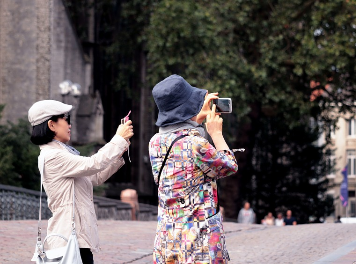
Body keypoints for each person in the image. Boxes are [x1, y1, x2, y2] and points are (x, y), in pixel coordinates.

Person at [28, 100, 134, 264]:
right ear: (51, 125)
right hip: (69, 240)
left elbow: (95, 177)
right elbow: (93, 163)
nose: (70, 125)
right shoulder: (53, 156)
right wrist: (118, 139)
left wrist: (119, 150)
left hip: (77, 239)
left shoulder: (63, 153)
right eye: (66, 119)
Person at [149, 74, 238, 263]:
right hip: (198, 242)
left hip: (168, 239)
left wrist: (195, 119)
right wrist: (216, 133)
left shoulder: (154, 142)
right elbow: (229, 166)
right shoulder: (197, 144)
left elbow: (178, 138)